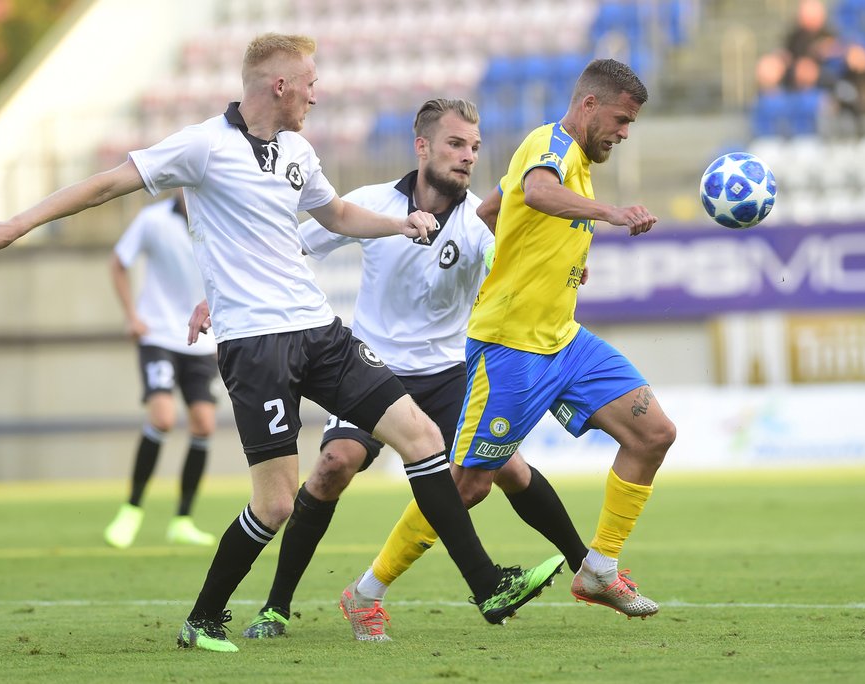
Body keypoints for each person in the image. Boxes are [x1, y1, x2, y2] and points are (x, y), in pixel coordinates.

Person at [0, 33, 563, 653]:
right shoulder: (202, 147)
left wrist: (397, 223)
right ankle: (204, 617)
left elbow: (337, 217)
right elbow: (108, 184)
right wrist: (15, 224)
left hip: (319, 331)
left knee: (423, 438)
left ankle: (486, 586)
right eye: (311, 83)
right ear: (280, 86)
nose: (317, 95)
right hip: (256, 347)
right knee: (273, 505)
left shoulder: (298, 150)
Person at [187, 98, 588, 642]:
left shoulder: (479, 224)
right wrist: (219, 297)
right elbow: (287, 250)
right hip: (372, 365)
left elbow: (514, 272)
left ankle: (588, 568)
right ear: (421, 146)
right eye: (454, 144)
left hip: (447, 370)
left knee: (507, 468)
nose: (468, 156)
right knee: (332, 466)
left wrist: (557, 275)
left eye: (474, 147)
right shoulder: (371, 203)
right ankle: (276, 607)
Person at [350, 58, 675, 622]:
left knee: (654, 433)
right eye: (621, 120)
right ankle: (366, 592)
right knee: (471, 484)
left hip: (565, 340)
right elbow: (540, 193)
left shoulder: (576, 158)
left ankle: (598, 569)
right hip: (510, 348)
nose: (624, 133)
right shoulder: (548, 144)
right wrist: (609, 215)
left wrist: (555, 257)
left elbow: (496, 208)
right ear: (589, 105)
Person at [102, 189, 219, 549]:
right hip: (157, 335)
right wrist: (131, 317)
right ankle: (131, 511)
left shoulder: (217, 219)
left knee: (203, 423)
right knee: (163, 417)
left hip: (200, 341)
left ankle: (182, 519)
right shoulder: (153, 220)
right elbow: (118, 262)